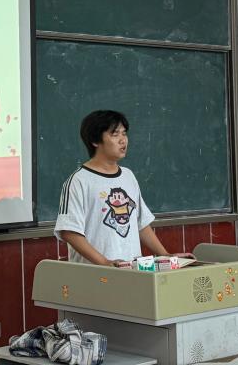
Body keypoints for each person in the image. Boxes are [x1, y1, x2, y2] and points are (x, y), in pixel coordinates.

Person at [54, 109, 171, 265]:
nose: (123, 140)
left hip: (132, 271)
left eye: (124, 133)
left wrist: (166, 255)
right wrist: (105, 262)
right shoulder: (78, 181)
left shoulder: (128, 175)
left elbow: (140, 223)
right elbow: (69, 231)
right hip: (96, 274)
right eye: (115, 134)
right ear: (95, 141)